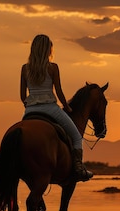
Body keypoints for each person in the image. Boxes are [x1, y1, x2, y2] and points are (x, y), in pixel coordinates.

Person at [20, 34, 93, 181]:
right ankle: (78, 168)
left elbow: (22, 96)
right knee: (77, 137)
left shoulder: (24, 69)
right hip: (50, 108)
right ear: (48, 50)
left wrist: (30, 105)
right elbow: (58, 92)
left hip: (30, 110)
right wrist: (67, 107)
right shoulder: (53, 68)